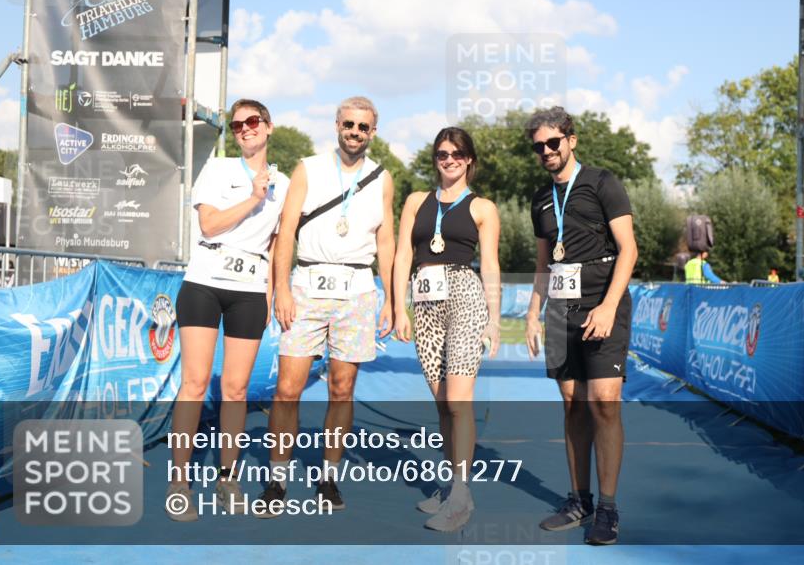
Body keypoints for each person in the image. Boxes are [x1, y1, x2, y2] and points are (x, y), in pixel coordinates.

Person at [259, 96, 395, 515]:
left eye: (363, 127)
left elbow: (386, 240)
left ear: (373, 132)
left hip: (357, 290)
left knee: (342, 389)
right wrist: (280, 288)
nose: (355, 132)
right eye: (349, 124)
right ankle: (277, 480)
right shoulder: (309, 168)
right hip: (307, 286)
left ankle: (328, 478)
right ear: (337, 125)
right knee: (287, 390)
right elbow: (285, 233)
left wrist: (391, 297)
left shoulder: (382, 177)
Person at [167, 99, 290, 521]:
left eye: (252, 122)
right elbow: (209, 225)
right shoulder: (219, 169)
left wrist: (275, 294)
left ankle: (227, 477)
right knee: (195, 383)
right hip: (204, 281)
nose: (244, 129)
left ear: (269, 127)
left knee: (236, 389)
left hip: (250, 289)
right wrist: (254, 199)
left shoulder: (287, 185)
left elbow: (278, 245)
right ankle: (179, 481)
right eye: (237, 125)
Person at [523, 107, 637, 546]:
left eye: (554, 142)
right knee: (572, 404)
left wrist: (608, 306)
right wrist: (533, 312)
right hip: (560, 309)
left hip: (601, 302)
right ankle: (579, 500)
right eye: (539, 146)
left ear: (571, 140)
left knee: (604, 402)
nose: (547, 151)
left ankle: (607, 508)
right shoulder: (539, 199)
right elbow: (542, 263)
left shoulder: (603, 183)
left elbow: (629, 249)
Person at [393, 127, 501, 532]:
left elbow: (489, 263)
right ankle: (452, 484)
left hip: (464, 297)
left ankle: (460, 497)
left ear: (469, 159)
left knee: (458, 401)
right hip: (424, 303)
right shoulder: (416, 201)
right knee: (442, 403)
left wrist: (492, 317)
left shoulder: (483, 208)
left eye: (457, 153)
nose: (449, 160)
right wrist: (398, 306)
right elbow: (404, 252)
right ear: (435, 158)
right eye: (442, 154)